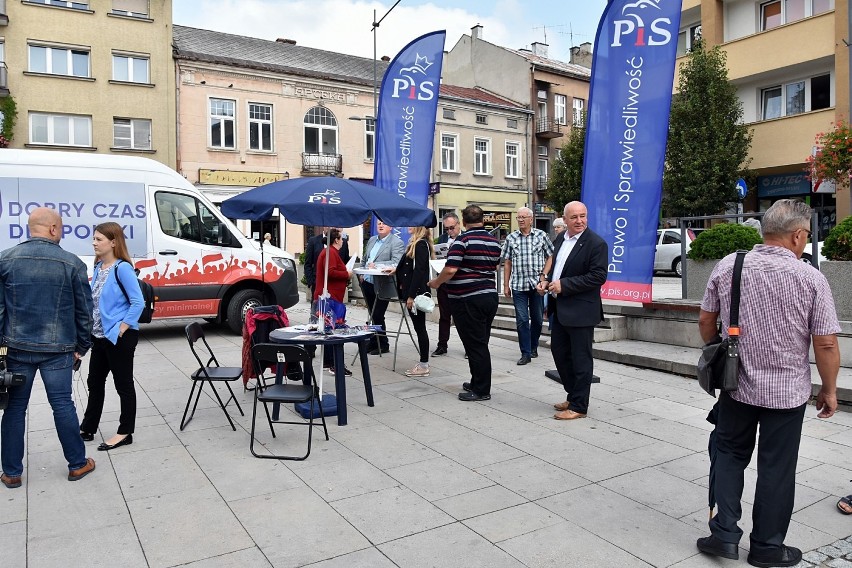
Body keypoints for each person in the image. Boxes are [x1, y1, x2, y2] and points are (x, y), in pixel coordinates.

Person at [695, 199, 840, 568]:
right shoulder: (810, 278)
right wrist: (829, 389)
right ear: (796, 235)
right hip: (787, 394)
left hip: (736, 385)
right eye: (806, 236)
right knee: (777, 468)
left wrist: (717, 347)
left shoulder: (730, 265)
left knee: (728, 455)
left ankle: (723, 535)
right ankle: (767, 548)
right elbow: (824, 342)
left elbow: (705, 321)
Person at [0, 207, 96, 488]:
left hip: (16, 348)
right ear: (53, 229)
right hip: (59, 350)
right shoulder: (72, 263)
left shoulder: (5, 260)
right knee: (63, 405)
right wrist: (82, 346)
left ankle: (12, 473)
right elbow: (85, 313)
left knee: (15, 409)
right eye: (62, 228)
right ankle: (77, 465)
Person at [536, 201, 608, 420]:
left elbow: (598, 277)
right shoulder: (560, 239)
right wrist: (544, 280)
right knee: (560, 354)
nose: (579, 221)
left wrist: (564, 285)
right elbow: (554, 265)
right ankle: (573, 394)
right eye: (574, 217)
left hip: (581, 311)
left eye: (583, 216)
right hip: (560, 308)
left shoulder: (596, 243)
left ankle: (579, 406)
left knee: (580, 359)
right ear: (564, 220)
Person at [79, 222, 144, 451]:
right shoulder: (98, 267)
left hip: (119, 337)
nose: (94, 243)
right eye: (94, 239)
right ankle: (88, 427)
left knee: (123, 385)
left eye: (99, 239)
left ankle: (125, 432)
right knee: (94, 383)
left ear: (113, 242)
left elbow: (138, 302)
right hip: (100, 336)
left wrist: (123, 327)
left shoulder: (122, 268)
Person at [428, 205, 501, 401]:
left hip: (468, 298)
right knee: (480, 342)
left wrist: (436, 282)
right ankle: (477, 381)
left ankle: (481, 390)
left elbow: (450, 269)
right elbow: (493, 265)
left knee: (475, 345)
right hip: (489, 295)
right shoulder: (494, 241)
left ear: (464, 221)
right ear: (483, 220)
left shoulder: (463, 240)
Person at [501, 207, 554, 365]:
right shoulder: (511, 238)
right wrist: (506, 284)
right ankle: (525, 353)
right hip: (518, 285)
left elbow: (550, 256)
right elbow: (507, 262)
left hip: (537, 286)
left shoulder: (541, 235)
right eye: (519, 218)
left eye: (524, 217)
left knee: (537, 320)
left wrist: (544, 275)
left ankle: (533, 346)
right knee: (522, 319)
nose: (521, 220)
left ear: (531, 219)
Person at [389, 226, 434, 377]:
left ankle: (424, 365)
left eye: (412, 224)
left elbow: (419, 271)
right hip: (413, 292)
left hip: (416, 293)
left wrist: (411, 296)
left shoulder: (421, 244)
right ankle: (423, 363)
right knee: (419, 328)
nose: (408, 226)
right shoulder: (416, 243)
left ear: (419, 227)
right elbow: (407, 266)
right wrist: (396, 270)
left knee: (420, 328)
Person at [359, 220, 404, 355]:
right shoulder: (372, 240)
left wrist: (377, 264)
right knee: (373, 314)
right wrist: (362, 272)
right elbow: (365, 258)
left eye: (384, 223)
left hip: (383, 284)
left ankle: (382, 343)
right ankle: (375, 342)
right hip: (367, 281)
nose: (380, 225)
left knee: (378, 314)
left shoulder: (396, 242)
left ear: (391, 226)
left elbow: (397, 262)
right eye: (378, 223)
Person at [314, 228, 352, 376]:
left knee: (329, 330)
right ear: (336, 240)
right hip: (331, 297)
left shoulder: (330, 252)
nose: (343, 241)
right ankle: (336, 365)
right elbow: (330, 272)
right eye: (341, 238)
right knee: (334, 330)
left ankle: (329, 361)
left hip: (331, 295)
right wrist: (347, 274)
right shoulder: (330, 253)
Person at [432, 212, 461, 356]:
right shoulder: (442, 239)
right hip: (444, 281)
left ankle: (469, 347)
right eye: (447, 229)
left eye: (452, 228)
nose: (450, 231)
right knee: (444, 315)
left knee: (462, 317)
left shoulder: (465, 238)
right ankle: (442, 345)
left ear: (458, 224)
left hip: (461, 282)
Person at [303, 227, 327, 302]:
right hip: (317, 281)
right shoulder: (313, 241)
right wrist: (311, 281)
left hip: (333, 283)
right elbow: (308, 263)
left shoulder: (340, 242)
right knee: (316, 308)